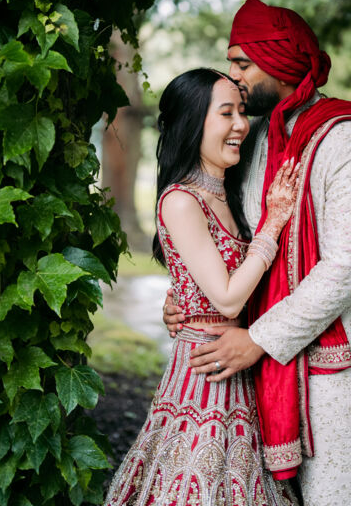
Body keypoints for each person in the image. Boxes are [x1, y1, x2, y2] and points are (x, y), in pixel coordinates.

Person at [163, 0, 351, 506]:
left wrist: (260, 338)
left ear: (278, 62)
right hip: (251, 375)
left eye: (242, 64)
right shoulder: (251, 139)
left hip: (335, 372)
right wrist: (188, 299)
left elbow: (348, 263)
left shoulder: (349, 138)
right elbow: (220, 233)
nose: (233, 78)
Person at [104, 68, 301, 506]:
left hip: (240, 368)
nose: (241, 125)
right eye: (226, 113)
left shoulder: (228, 192)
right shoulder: (181, 200)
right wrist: (273, 223)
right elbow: (227, 297)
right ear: (194, 122)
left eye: (242, 112)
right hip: (203, 378)